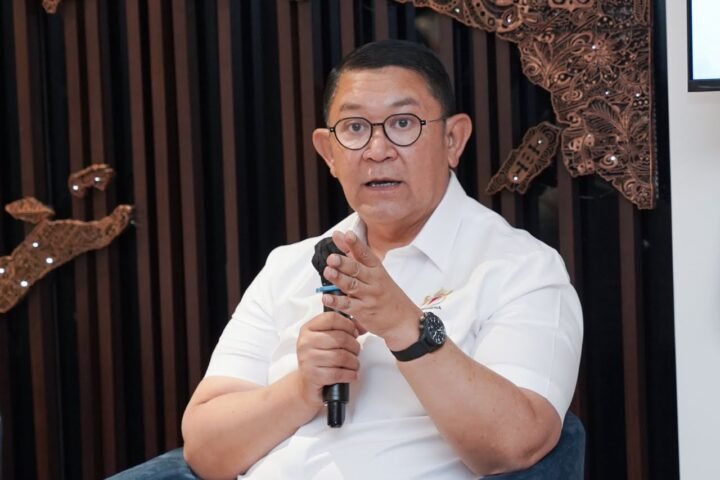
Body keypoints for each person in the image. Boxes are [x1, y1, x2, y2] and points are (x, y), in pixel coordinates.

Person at [181, 39, 583, 479]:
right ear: (329, 153)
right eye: (355, 128)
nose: (377, 150)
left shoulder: (522, 268)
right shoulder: (288, 267)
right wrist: (299, 390)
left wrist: (406, 328)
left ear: (453, 139)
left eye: (403, 123)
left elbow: (517, 444)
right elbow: (204, 450)